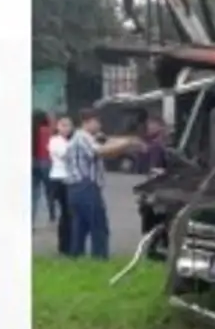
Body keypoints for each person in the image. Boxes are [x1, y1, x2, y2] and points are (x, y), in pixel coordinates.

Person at [63, 108, 141, 260]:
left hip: (77, 188)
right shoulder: (82, 138)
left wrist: (125, 143)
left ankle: (76, 257)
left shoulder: (87, 137)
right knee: (98, 225)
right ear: (88, 122)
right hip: (86, 186)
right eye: (97, 121)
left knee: (80, 226)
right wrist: (128, 142)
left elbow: (108, 144)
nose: (99, 125)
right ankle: (99, 258)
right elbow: (100, 151)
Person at [47, 115, 74, 256]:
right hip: (58, 178)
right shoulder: (55, 141)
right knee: (66, 213)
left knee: (70, 214)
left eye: (68, 125)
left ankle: (70, 245)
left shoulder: (72, 140)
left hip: (71, 179)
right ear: (58, 127)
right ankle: (63, 246)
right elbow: (64, 155)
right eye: (63, 125)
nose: (66, 128)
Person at [32, 111, 56, 226]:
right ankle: (52, 215)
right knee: (49, 192)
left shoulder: (31, 131)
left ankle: (31, 221)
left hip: (33, 162)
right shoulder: (47, 131)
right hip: (46, 162)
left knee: (34, 194)